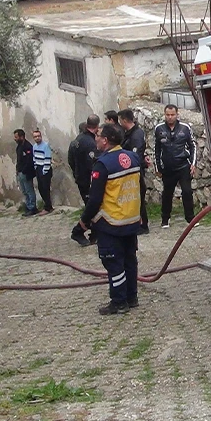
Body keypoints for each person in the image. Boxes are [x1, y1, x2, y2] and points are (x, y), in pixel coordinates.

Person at [78, 123, 142, 315]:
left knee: (114, 263)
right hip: (131, 219)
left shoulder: (103, 164)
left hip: (111, 222)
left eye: (98, 135)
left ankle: (119, 302)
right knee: (130, 261)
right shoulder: (133, 157)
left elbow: (95, 199)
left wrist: (84, 221)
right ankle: (132, 297)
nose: (95, 138)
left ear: (105, 140)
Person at [153, 104, 197, 229]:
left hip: (183, 165)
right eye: (168, 115)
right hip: (167, 167)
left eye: (172, 115)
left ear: (177, 115)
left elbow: (193, 146)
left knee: (187, 191)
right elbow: (156, 149)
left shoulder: (185, 128)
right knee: (167, 193)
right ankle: (165, 219)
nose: (170, 117)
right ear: (164, 115)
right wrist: (158, 167)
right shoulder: (159, 129)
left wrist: (193, 163)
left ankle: (190, 218)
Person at [119, 108, 150, 234]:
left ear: (124, 120)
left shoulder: (136, 134)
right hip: (132, 170)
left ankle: (143, 225)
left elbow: (136, 154)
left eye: (120, 120)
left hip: (135, 171)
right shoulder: (128, 133)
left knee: (138, 198)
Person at [67, 115, 100, 203]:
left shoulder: (78, 138)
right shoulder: (91, 143)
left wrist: (76, 173)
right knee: (93, 204)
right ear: (97, 125)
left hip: (80, 177)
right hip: (88, 180)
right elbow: (93, 165)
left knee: (87, 203)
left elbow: (70, 159)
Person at [13, 129, 38, 216]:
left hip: (26, 173)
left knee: (29, 190)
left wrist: (24, 171)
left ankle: (32, 207)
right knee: (24, 191)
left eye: (16, 137)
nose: (15, 139)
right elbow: (19, 160)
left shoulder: (27, 146)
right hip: (20, 172)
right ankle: (28, 206)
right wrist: (17, 170)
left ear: (21, 137)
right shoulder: (19, 147)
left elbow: (29, 161)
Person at [32, 129, 54, 214]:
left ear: (41, 136)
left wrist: (45, 170)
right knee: (41, 188)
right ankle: (47, 205)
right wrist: (35, 166)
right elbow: (34, 157)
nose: (37, 138)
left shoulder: (45, 146)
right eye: (35, 137)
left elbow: (47, 158)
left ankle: (48, 207)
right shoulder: (34, 146)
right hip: (38, 167)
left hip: (45, 168)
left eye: (38, 136)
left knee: (45, 188)